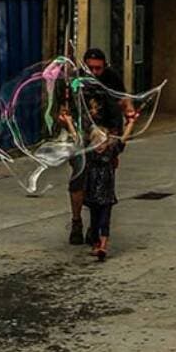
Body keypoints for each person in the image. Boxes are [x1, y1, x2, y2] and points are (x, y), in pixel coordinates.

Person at [59, 96, 135, 262]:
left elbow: (123, 139)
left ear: (108, 142)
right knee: (94, 221)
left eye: (103, 141)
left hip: (107, 195)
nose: (100, 145)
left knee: (104, 222)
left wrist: (130, 123)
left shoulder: (111, 152)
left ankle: (103, 246)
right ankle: (95, 244)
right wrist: (69, 122)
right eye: (96, 141)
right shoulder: (90, 153)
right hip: (92, 195)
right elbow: (77, 138)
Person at [68, 48, 129, 246]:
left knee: (101, 185)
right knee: (78, 182)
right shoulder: (76, 79)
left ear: (105, 66)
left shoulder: (112, 79)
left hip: (104, 139)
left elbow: (123, 106)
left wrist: (116, 143)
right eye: (90, 68)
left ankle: (95, 228)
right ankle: (76, 222)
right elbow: (66, 109)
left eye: (99, 68)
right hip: (80, 138)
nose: (94, 72)